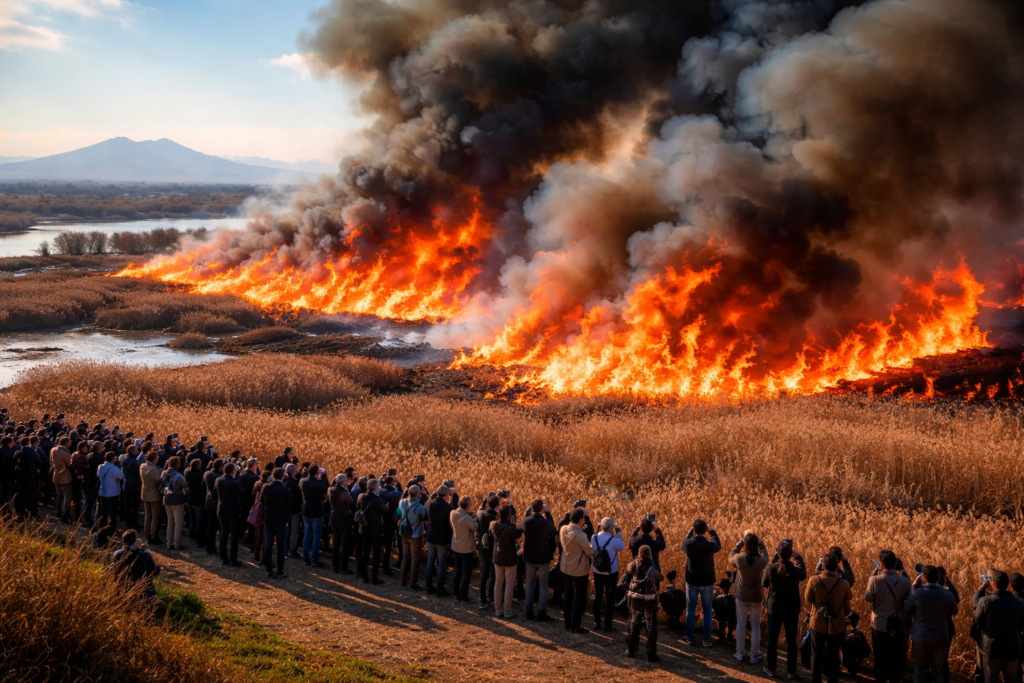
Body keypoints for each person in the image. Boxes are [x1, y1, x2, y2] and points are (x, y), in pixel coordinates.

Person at [905, 564, 959, 683]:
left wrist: (914, 589)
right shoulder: (948, 595)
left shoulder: (916, 594)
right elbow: (955, 611)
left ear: (923, 578)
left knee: (919, 668)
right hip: (940, 637)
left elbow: (908, 609)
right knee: (938, 670)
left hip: (920, 637)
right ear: (939, 577)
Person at [866, 549, 913, 683]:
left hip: (879, 623)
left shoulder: (874, 580)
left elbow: (868, 598)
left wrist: (873, 573)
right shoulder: (904, 581)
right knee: (895, 657)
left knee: (879, 657)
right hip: (897, 625)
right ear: (895, 564)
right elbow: (909, 600)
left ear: (880, 564)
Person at [805, 553, 853, 683]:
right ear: (838, 566)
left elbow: (808, 600)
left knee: (816, 653)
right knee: (834, 654)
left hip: (817, 622)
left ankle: (816, 680)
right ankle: (833, 680)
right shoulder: (844, 583)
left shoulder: (814, 580)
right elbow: (848, 600)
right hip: (837, 624)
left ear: (823, 565)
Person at [763, 540, 808, 679]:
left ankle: (771, 669)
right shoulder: (794, 571)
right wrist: (798, 557)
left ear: (778, 554)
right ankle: (791, 672)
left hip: (774, 608)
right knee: (791, 641)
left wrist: (773, 560)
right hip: (791, 609)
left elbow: (764, 583)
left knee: (772, 640)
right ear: (791, 555)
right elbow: (803, 574)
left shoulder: (771, 568)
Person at [973, 570, 1024, 683]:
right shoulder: (1019, 603)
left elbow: (977, 621)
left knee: (990, 680)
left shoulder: (984, 601)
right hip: (1012, 649)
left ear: (992, 584)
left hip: (991, 649)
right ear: (1008, 585)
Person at [729, 531, 769, 663]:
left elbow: (731, 556)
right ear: (756, 545)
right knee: (755, 626)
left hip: (742, 594)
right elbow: (766, 556)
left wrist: (740, 543)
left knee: (740, 624)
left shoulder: (739, 558)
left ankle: (739, 653)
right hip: (757, 596)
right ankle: (754, 656)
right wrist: (761, 543)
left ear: (746, 545)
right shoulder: (761, 561)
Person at [682, 518, 722, 647]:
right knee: (707, 610)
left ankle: (690, 637)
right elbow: (718, 544)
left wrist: (689, 534)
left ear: (694, 530)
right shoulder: (710, 545)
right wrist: (712, 532)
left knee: (690, 609)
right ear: (705, 530)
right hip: (707, 581)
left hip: (692, 581)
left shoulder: (689, 544)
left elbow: (683, 543)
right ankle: (706, 639)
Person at [623, 544, 664, 662]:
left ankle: (630, 650)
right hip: (648, 598)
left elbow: (628, 568)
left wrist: (636, 559)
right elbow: (660, 578)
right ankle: (651, 654)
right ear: (650, 555)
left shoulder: (634, 565)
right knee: (651, 626)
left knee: (635, 622)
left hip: (635, 597)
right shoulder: (651, 568)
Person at [521, 498, 557, 621]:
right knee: (543, 585)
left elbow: (521, 525)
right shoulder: (546, 523)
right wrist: (548, 513)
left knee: (529, 584)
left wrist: (527, 514)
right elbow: (554, 532)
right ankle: (542, 612)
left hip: (529, 556)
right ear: (542, 509)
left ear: (531, 508)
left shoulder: (525, 520)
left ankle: (529, 611)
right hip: (543, 557)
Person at [559, 508, 594, 633]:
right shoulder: (581, 536)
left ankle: (567, 622)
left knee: (567, 594)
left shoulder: (563, 529)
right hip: (578, 570)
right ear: (581, 520)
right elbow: (590, 553)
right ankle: (576, 624)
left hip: (565, 567)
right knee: (578, 597)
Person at [490, 503, 523, 619]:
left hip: (497, 556)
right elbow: (518, 533)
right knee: (509, 584)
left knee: (498, 582)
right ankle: (507, 610)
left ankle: (498, 609)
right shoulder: (511, 528)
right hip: (509, 558)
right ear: (509, 514)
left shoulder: (493, 525)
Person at [592, 517, 626, 632]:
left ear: (601, 526)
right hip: (611, 572)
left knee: (598, 595)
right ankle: (608, 624)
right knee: (610, 598)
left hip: (597, 571)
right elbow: (622, 546)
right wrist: (619, 531)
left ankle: (596, 621)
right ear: (612, 528)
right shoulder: (614, 540)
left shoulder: (594, 537)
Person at [260, 467, 292, 579]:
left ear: (272, 476)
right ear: (283, 477)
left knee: (268, 544)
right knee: (280, 546)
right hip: (280, 519)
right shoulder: (286, 489)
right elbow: (289, 504)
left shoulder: (265, 487)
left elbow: (261, 500)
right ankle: (279, 571)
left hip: (268, 518)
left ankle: (268, 569)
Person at [109, 529, 158, 600]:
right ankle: (149, 594)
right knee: (149, 572)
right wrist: (146, 553)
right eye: (137, 536)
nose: (139, 538)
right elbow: (155, 571)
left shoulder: (116, 553)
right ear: (135, 540)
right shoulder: (144, 555)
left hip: (120, 588)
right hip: (137, 588)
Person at [356, 478, 389, 584]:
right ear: (376, 487)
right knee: (375, 553)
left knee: (364, 552)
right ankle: (374, 578)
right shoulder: (377, 500)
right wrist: (387, 506)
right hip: (375, 528)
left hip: (364, 527)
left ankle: (364, 576)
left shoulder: (360, 496)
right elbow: (383, 511)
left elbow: (358, 507)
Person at [425, 485, 454, 596]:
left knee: (430, 561)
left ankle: (428, 587)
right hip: (442, 539)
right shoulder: (448, 508)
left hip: (430, 536)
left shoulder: (428, 503)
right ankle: (440, 589)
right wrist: (454, 497)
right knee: (441, 564)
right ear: (447, 494)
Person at [450, 494, 478, 604]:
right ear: (468, 505)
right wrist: (474, 519)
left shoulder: (452, 513)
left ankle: (456, 594)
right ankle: (464, 596)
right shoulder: (467, 518)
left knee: (457, 570)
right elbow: (475, 527)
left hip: (456, 546)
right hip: (466, 548)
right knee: (466, 572)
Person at [398, 484, 427, 590]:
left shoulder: (402, 502)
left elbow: (398, 512)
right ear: (418, 494)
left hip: (403, 532)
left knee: (405, 557)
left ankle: (402, 581)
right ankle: (412, 583)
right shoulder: (419, 507)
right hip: (415, 534)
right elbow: (425, 517)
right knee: (414, 559)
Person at [299, 465, 328, 567]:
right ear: (317, 473)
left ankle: (305, 558)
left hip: (305, 511)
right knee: (316, 537)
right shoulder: (317, 484)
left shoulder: (302, 481)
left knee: (306, 536)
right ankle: (314, 560)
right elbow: (326, 490)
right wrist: (324, 478)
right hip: (316, 512)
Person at [215, 462, 243, 567]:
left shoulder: (218, 480)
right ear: (233, 471)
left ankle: (223, 558)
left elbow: (214, 493)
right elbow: (241, 493)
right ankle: (233, 559)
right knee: (234, 535)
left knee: (223, 534)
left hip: (221, 509)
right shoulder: (234, 483)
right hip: (232, 510)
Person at [476, 495, 500, 609]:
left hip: (482, 546)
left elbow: (479, 510)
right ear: (497, 506)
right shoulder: (495, 516)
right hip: (492, 547)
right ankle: (491, 598)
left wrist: (483, 503)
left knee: (483, 574)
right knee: (492, 574)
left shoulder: (480, 513)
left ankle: (482, 601)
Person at [160, 456, 188, 550]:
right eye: (179, 462)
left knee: (170, 523)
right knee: (178, 523)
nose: (180, 464)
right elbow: (184, 485)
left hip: (167, 499)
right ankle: (176, 544)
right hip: (177, 500)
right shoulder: (178, 475)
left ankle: (169, 543)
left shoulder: (164, 473)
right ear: (176, 464)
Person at [329, 474, 354, 574]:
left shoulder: (330, 490)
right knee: (344, 544)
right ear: (344, 482)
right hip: (343, 520)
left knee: (336, 543)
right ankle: (343, 566)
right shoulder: (344, 493)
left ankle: (335, 565)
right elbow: (350, 502)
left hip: (333, 519)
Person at [379, 476, 402, 577]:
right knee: (388, 545)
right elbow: (401, 493)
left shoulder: (380, 490)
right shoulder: (395, 493)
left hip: (380, 520)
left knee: (379, 544)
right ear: (393, 482)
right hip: (391, 521)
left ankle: (378, 562)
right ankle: (385, 566)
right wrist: (399, 483)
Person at [140, 451, 163, 545]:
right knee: (155, 518)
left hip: (145, 494)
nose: (158, 459)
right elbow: (159, 478)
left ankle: (147, 535)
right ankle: (154, 536)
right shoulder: (153, 470)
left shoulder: (142, 466)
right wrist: (161, 470)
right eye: (157, 458)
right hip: (153, 495)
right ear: (153, 459)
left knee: (147, 517)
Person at [202, 458, 224, 554]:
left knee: (211, 526)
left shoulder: (206, 474)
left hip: (208, 501)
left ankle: (209, 546)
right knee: (215, 527)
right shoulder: (219, 477)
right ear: (220, 467)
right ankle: (211, 547)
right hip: (215, 504)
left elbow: (202, 485)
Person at [51, 436, 74, 523]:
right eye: (69, 442)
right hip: (65, 477)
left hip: (56, 475)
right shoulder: (66, 453)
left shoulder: (53, 450)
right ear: (66, 443)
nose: (70, 443)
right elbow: (69, 465)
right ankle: (65, 516)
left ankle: (58, 512)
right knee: (67, 497)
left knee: (59, 496)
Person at [843, 613, 872, 677]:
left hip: (846, 655)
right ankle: (855, 661)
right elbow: (868, 650)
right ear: (857, 621)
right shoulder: (858, 632)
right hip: (856, 655)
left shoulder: (844, 631)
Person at [184, 459, 204, 549]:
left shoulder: (187, 471)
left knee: (192, 519)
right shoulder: (200, 475)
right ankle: (198, 537)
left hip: (189, 496)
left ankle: (191, 534)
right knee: (199, 520)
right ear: (198, 466)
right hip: (197, 498)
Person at [283, 464, 302, 558]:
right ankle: (293, 550)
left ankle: (286, 548)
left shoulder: (285, 481)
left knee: (287, 529)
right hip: (294, 509)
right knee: (294, 530)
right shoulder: (295, 483)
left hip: (287, 508)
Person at [713, 575, 737, 642]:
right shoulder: (733, 599)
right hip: (732, 615)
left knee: (721, 621)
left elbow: (713, 607)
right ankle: (729, 635)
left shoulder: (718, 598)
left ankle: (721, 636)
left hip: (720, 615)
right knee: (732, 621)